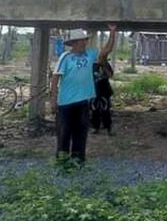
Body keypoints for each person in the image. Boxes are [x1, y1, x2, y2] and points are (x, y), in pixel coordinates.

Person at [50, 24, 117, 163]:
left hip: (83, 103)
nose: (84, 43)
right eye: (81, 41)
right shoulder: (66, 57)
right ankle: (61, 161)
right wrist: (53, 99)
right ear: (74, 43)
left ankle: (78, 160)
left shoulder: (91, 54)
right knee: (64, 133)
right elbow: (55, 77)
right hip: (65, 103)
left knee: (80, 133)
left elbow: (106, 51)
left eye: (85, 40)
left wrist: (112, 33)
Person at [90, 60, 114, 136]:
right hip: (94, 90)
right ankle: (95, 127)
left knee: (105, 109)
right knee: (94, 109)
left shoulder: (105, 64)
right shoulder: (92, 64)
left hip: (105, 90)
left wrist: (103, 65)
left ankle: (108, 128)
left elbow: (110, 75)